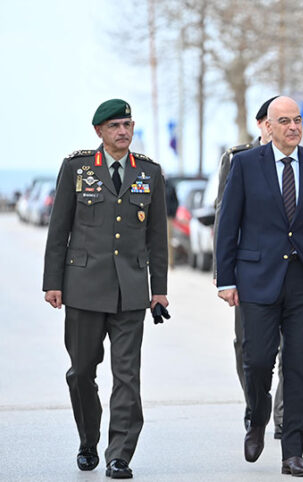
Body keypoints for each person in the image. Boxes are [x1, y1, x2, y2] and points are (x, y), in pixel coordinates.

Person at [215, 96, 303, 477]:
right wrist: (226, 279)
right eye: (284, 121)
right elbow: (228, 224)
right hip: (256, 280)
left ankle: (293, 452)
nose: (293, 127)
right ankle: (256, 418)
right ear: (268, 127)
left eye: (298, 120)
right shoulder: (244, 164)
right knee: (256, 362)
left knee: (300, 367)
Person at [42, 99, 169, 479]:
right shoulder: (77, 168)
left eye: (128, 124)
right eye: (115, 126)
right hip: (82, 288)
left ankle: (120, 455)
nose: (123, 132)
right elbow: (58, 229)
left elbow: (157, 238)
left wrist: (158, 289)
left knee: (127, 375)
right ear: (99, 131)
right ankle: (87, 439)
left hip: (131, 290)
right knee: (82, 372)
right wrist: (53, 283)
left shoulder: (149, 172)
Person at [212, 96, 286, 439]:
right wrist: (223, 272)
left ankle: (285, 418)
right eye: (276, 123)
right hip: (251, 269)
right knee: (248, 346)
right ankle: (256, 403)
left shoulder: (301, 161)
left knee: (293, 349)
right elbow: (224, 217)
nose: (283, 129)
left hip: (293, 269)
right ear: (262, 125)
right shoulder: (239, 158)